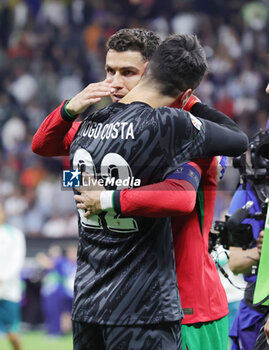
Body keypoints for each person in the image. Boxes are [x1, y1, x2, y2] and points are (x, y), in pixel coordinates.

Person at [33, 33, 248, 350]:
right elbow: (44, 144)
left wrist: (106, 199)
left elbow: (183, 196)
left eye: (127, 72)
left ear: (152, 74)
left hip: (186, 302)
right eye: (109, 71)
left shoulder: (178, 130)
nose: (114, 83)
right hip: (128, 302)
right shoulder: (101, 128)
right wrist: (68, 108)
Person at [0, 203, 26, 350]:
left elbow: (18, 261)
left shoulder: (15, 234)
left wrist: (2, 278)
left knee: (12, 332)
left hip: (9, 289)